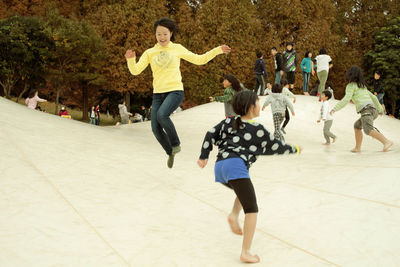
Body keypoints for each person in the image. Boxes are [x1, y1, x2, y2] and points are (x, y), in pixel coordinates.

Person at [197, 90, 301, 263]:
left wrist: (204, 155)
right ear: (252, 107)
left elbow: (210, 133)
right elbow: (274, 146)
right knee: (252, 208)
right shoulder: (257, 129)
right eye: (258, 103)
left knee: (243, 192)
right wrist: (294, 149)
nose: (260, 106)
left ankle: (233, 215)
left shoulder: (228, 121)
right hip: (235, 166)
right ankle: (246, 251)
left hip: (220, 167)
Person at [125, 17, 231, 168]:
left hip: (175, 91)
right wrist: (131, 60)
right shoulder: (150, 52)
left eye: (165, 34)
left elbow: (199, 59)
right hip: (158, 94)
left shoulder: (177, 48)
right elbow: (135, 71)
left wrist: (217, 50)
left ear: (171, 33)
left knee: (162, 115)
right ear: (155, 35)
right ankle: (170, 152)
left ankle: (175, 144)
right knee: (155, 128)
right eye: (158, 34)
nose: (161, 37)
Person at [331, 66, 393, 153]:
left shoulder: (351, 86)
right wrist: (380, 109)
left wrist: (335, 108)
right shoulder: (362, 86)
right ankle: (357, 147)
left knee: (368, 129)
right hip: (373, 110)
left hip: (366, 110)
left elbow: (346, 99)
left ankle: (386, 142)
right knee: (357, 126)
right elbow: (374, 98)